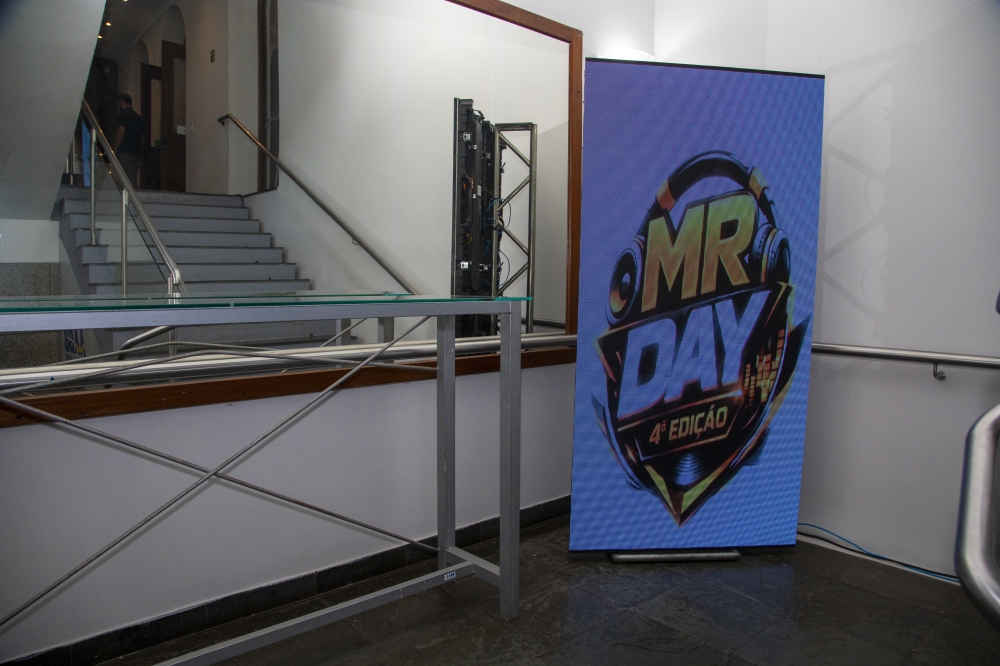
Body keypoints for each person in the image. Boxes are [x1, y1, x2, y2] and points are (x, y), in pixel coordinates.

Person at [113, 93, 143, 188]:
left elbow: (121, 132)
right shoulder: (138, 118)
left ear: (122, 102)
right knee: (132, 176)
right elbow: (142, 137)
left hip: (125, 151)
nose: (119, 106)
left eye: (119, 103)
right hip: (135, 153)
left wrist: (114, 148)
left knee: (126, 179)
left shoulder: (123, 115)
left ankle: (132, 196)